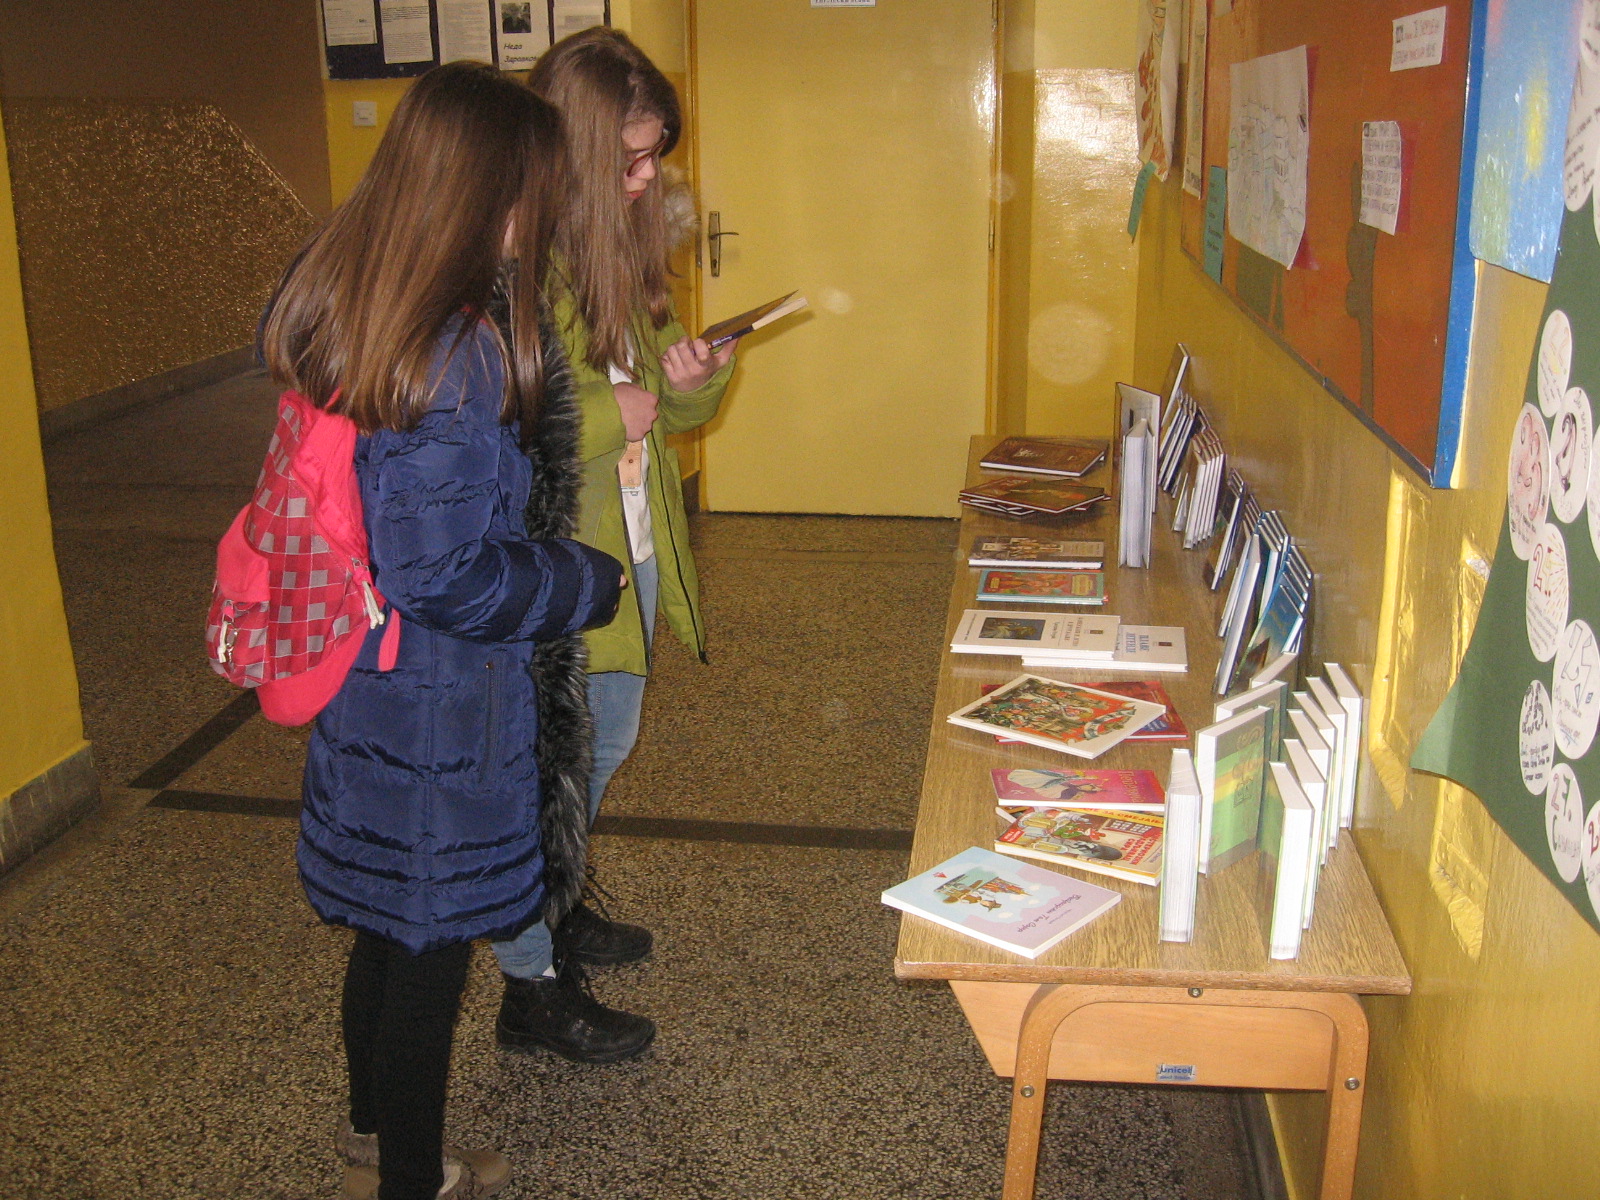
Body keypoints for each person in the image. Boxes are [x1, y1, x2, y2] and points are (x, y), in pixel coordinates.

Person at [259, 62, 622, 1200]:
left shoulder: (357, 306)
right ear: (486, 193)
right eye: (535, 189)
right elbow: (442, 572)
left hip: (369, 677)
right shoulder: (452, 350)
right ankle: (411, 1177)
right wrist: (583, 579)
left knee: (385, 928)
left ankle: (371, 1130)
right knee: (424, 960)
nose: (543, 212)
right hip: (438, 708)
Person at [490, 27, 738, 1064]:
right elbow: (484, 417)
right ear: (574, 148)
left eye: (655, 158)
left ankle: (559, 900)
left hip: (624, 543)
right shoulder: (507, 257)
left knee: (603, 742)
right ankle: (529, 981)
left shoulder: (620, 249)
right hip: (554, 559)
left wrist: (691, 384)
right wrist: (610, 413)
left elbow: (669, 411)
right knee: (548, 768)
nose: (647, 181)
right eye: (629, 160)